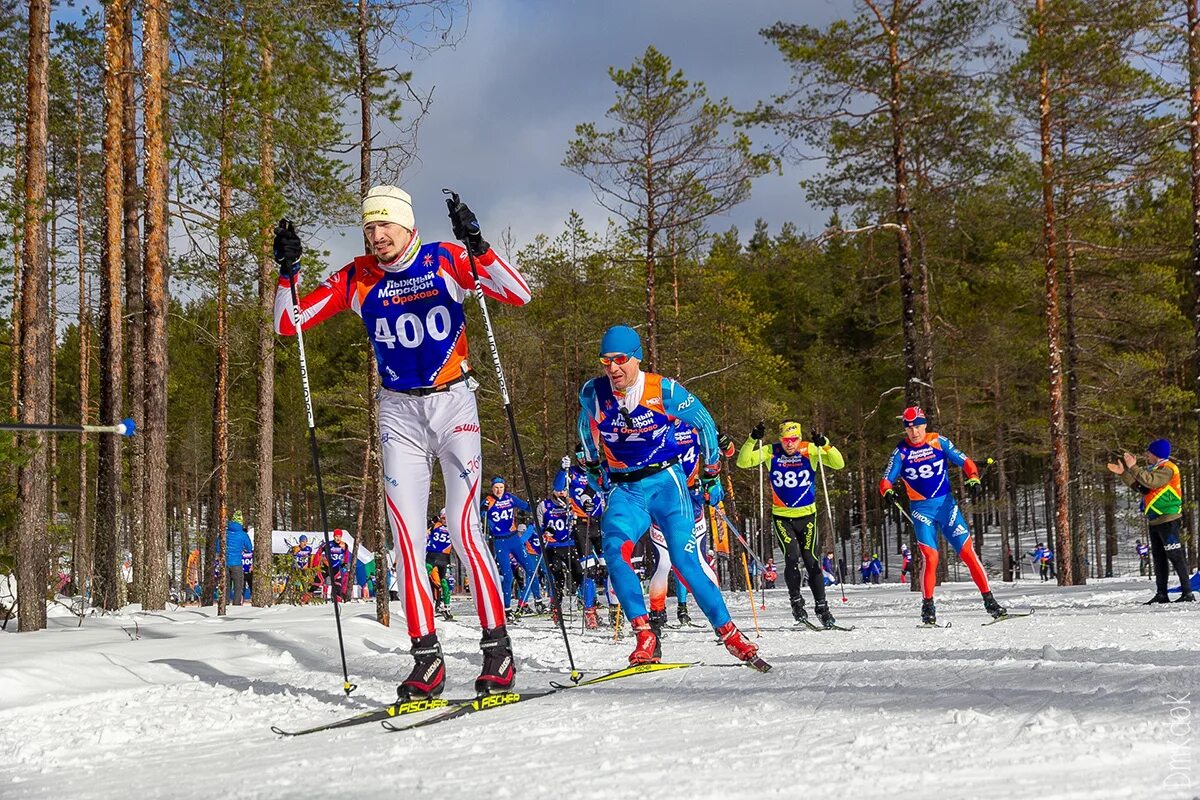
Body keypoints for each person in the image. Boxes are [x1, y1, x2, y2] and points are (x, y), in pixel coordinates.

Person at [272, 186, 529, 697]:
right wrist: (287, 274)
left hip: (453, 403)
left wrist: (478, 245)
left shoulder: (444, 259)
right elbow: (288, 323)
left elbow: (518, 293)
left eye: (386, 224)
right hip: (398, 412)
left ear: (408, 226)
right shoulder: (357, 277)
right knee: (407, 541)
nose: (377, 235)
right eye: (369, 227)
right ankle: (427, 658)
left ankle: (497, 650)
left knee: (461, 528)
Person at [577, 325, 765, 668]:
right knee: (615, 552)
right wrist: (592, 464)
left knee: (684, 561)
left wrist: (711, 474)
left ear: (636, 358)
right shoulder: (593, 393)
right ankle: (645, 634)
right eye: (606, 361)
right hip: (625, 488)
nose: (613, 368)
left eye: (620, 360)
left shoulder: (663, 390)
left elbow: (706, 425)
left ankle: (730, 634)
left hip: (667, 484)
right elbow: (585, 427)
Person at [879, 406, 1006, 624]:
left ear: (925, 425)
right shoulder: (900, 451)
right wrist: (887, 491)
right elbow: (886, 479)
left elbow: (966, 461)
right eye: (909, 429)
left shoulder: (938, 441)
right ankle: (928, 607)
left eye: (917, 427)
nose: (914, 432)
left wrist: (974, 477)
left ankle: (990, 602)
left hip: (946, 507)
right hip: (921, 511)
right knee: (931, 557)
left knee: (967, 553)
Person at [737, 420, 845, 629]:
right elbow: (743, 462)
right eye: (786, 440)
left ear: (800, 438)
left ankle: (822, 608)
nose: (790, 444)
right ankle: (796, 603)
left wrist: (825, 444)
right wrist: (752, 438)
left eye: (794, 439)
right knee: (792, 557)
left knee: (812, 561)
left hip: (808, 516)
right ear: (780, 439)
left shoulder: (809, 449)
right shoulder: (771, 451)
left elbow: (838, 463)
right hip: (782, 518)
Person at [647, 423, 728, 630]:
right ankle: (657, 615)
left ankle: (721, 619)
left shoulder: (693, 425)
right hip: (662, 497)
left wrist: (713, 479)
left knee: (697, 560)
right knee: (664, 563)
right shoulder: (651, 423)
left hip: (690, 496)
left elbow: (724, 451)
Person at [1108, 440, 1195, 603]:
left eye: (1149, 452)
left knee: (1175, 554)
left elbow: (1150, 481)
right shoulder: (1154, 469)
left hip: (1169, 518)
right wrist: (1123, 473)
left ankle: (1187, 593)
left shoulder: (1168, 469)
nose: (1146, 455)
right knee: (1159, 557)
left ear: (1156, 453)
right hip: (1155, 520)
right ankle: (1162, 593)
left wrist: (1133, 466)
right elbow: (1143, 488)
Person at [482, 476, 539, 622]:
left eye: (501, 487)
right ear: (492, 488)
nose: (498, 490)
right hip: (500, 542)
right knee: (508, 577)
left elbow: (526, 506)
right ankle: (506, 609)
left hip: (514, 540)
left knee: (531, 570)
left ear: (504, 487)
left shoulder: (509, 498)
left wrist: (535, 506)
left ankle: (535, 602)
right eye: (496, 487)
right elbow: (478, 516)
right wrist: (483, 510)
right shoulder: (489, 500)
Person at [565, 451, 608, 628]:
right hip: (582, 524)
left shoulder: (599, 470)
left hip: (601, 523)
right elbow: (558, 485)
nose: (583, 457)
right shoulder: (572, 472)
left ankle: (616, 612)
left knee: (608, 568)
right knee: (588, 571)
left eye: (586, 453)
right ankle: (590, 611)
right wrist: (562, 470)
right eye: (580, 454)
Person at [538, 470, 583, 623]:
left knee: (579, 573)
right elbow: (538, 526)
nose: (562, 493)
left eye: (564, 490)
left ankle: (586, 604)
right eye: (559, 490)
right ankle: (556, 608)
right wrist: (545, 531)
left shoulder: (572, 503)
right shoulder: (544, 505)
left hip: (569, 544)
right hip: (552, 546)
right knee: (558, 577)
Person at [426, 509, 454, 620]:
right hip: (432, 556)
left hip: (443, 558)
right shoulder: (435, 525)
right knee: (424, 576)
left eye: (448, 518)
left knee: (444, 583)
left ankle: (446, 607)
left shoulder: (453, 528)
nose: (446, 520)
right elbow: (426, 533)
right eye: (443, 518)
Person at [223, 512, 252, 607]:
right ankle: (236, 606)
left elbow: (218, 547)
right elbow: (249, 548)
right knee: (238, 587)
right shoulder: (243, 534)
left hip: (225, 563)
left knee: (225, 586)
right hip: (237, 564)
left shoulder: (224, 532)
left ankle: (224, 605)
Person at [319, 529, 353, 602]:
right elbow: (321, 555)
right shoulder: (329, 544)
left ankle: (338, 597)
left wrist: (345, 564)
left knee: (339, 583)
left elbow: (346, 555)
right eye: (336, 536)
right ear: (334, 536)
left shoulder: (343, 545)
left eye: (339, 536)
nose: (338, 538)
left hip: (339, 568)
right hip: (329, 568)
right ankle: (329, 596)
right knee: (328, 583)